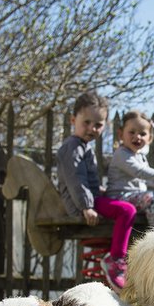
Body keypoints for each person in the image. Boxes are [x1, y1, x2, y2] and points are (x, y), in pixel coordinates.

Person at [54, 91, 136, 290]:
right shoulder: (73, 147)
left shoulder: (82, 146)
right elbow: (75, 180)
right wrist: (86, 206)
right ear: (73, 120)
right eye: (87, 122)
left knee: (126, 206)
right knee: (127, 210)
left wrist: (100, 190)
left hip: (87, 199)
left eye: (98, 124)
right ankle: (115, 259)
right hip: (80, 204)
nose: (92, 128)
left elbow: (86, 182)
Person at [105, 110, 154, 228]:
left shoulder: (140, 157)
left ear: (150, 138)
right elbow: (139, 171)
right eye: (132, 132)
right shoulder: (121, 154)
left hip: (134, 197)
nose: (137, 137)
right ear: (120, 134)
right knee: (151, 199)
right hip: (119, 197)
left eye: (142, 134)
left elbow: (147, 180)